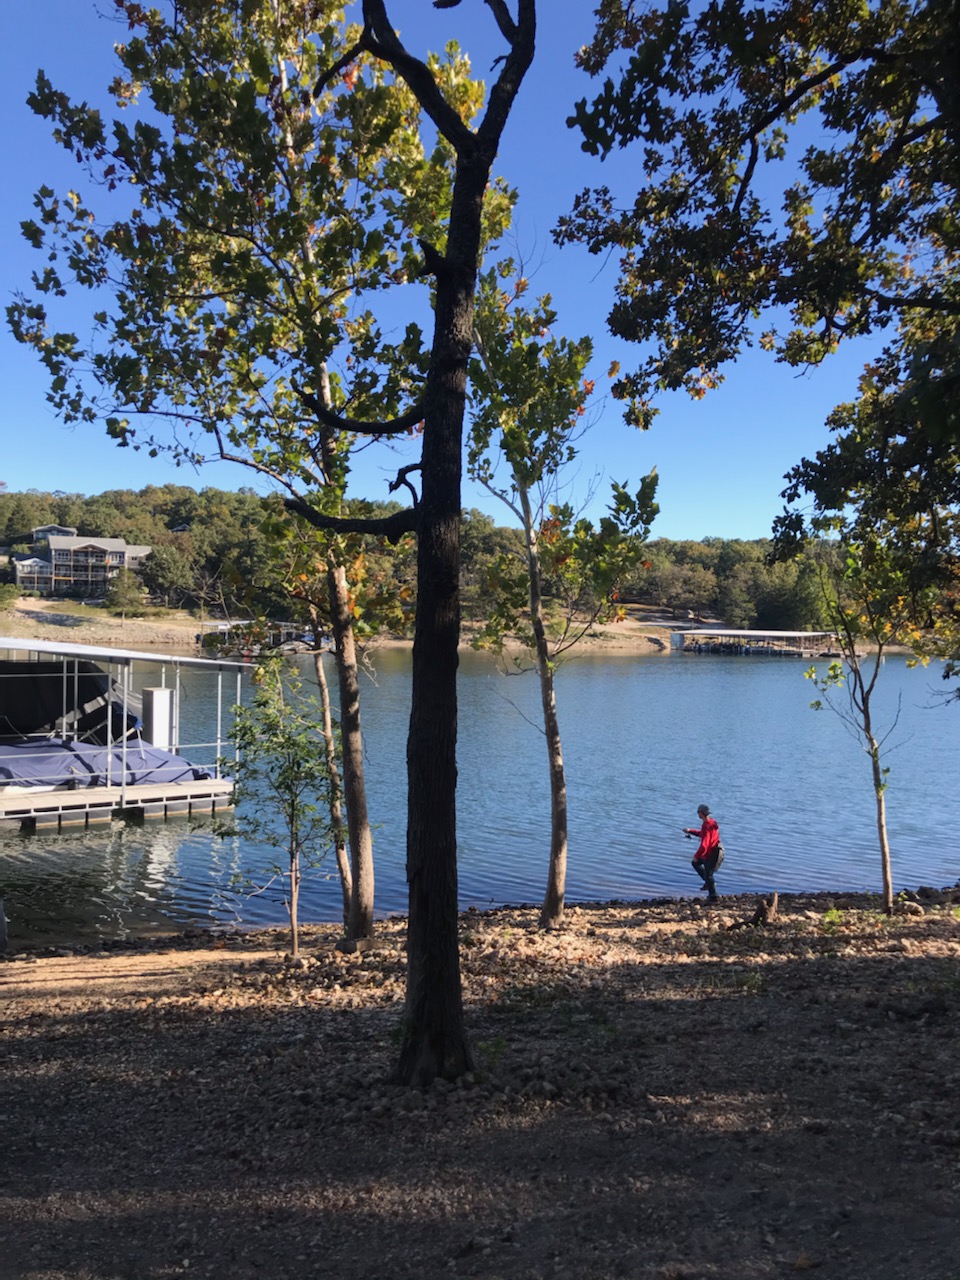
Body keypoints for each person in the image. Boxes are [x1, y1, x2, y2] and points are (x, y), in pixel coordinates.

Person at [683, 804, 722, 901]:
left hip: (713, 853)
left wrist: (696, 855)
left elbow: (704, 845)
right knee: (702, 869)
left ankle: (713, 897)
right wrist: (690, 831)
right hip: (718, 851)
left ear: (701, 813)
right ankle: (709, 884)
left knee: (706, 872)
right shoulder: (712, 822)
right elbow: (703, 834)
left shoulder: (706, 825)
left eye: (698, 813)